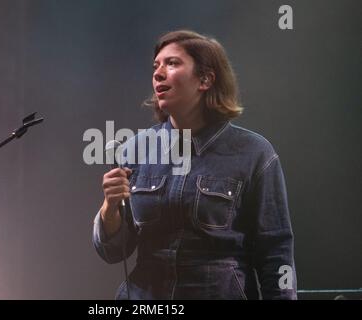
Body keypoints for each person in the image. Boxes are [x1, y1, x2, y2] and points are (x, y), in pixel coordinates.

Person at [93, 30, 297, 300]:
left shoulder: (254, 153)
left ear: (205, 79)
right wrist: (109, 208)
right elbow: (113, 252)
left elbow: (276, 251)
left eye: (172, 63)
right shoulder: (134, 149)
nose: (158, 73)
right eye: (156, 66)